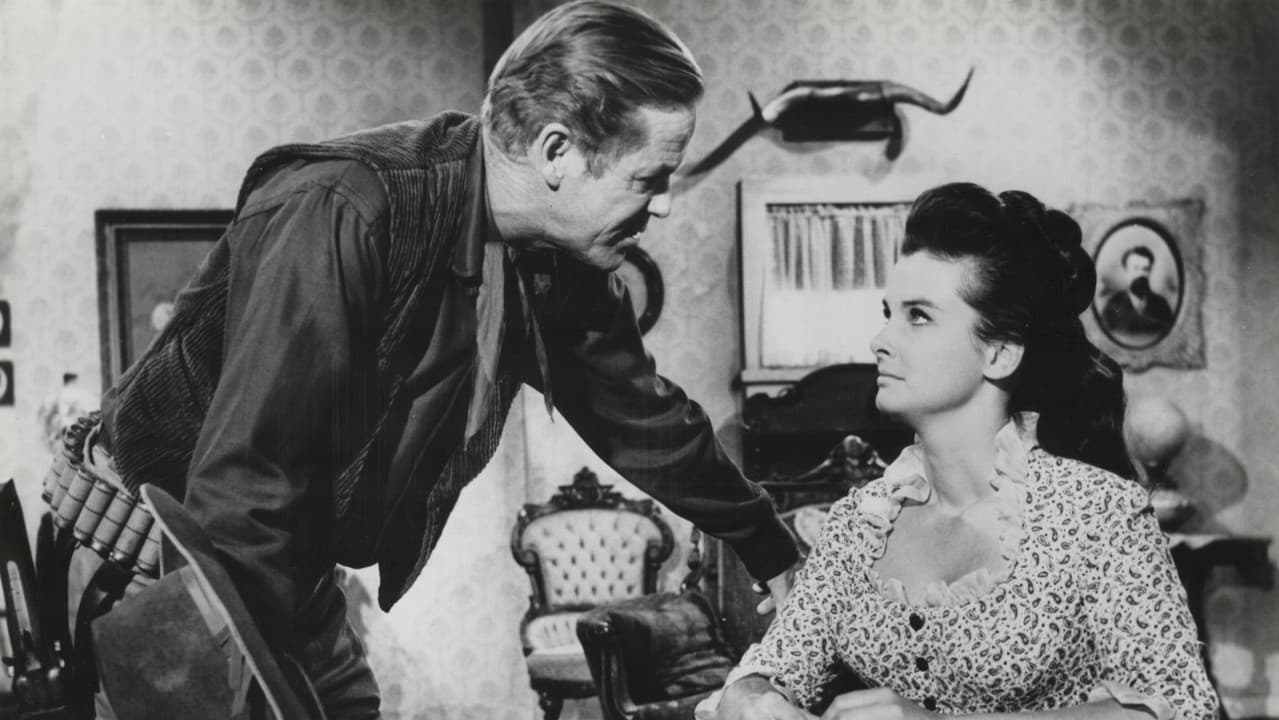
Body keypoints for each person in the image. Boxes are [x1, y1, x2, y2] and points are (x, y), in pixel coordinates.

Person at [81, 2, 800, 717]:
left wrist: (775, 552)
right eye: (650, 178)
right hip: (155, 551)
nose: (664, 205)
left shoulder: (561, 264)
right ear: (556, 151)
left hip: (275, 555)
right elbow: (249, 480)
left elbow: (645, 420)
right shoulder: (345, 207)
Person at [705, 183, 1217, 720]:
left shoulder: (1098, 514)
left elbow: (1182, 708)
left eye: (918, 316)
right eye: (888, 312)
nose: (880, 340)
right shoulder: (859, 525)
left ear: (999, 354)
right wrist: (755, 700)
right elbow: (770, 671)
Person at [1100, 245, 1175, 337]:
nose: (1140, 274)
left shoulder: (1162, 305)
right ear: (1126, 272)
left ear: (1150, 272)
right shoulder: (1113, 306)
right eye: (1135, 268)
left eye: (1145, 269)